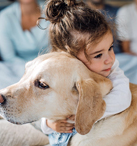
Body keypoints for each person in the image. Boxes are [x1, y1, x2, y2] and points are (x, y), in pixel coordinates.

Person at [39, 0, 132, 146]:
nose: (109, 59)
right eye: (98, 55)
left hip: (91, 129)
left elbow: (122, 99)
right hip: (63, 134)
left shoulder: (113, 70)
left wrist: (86, 114)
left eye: (110, 47)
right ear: (70, 58)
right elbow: (43, 104)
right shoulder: (58, 75)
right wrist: (49, 124)